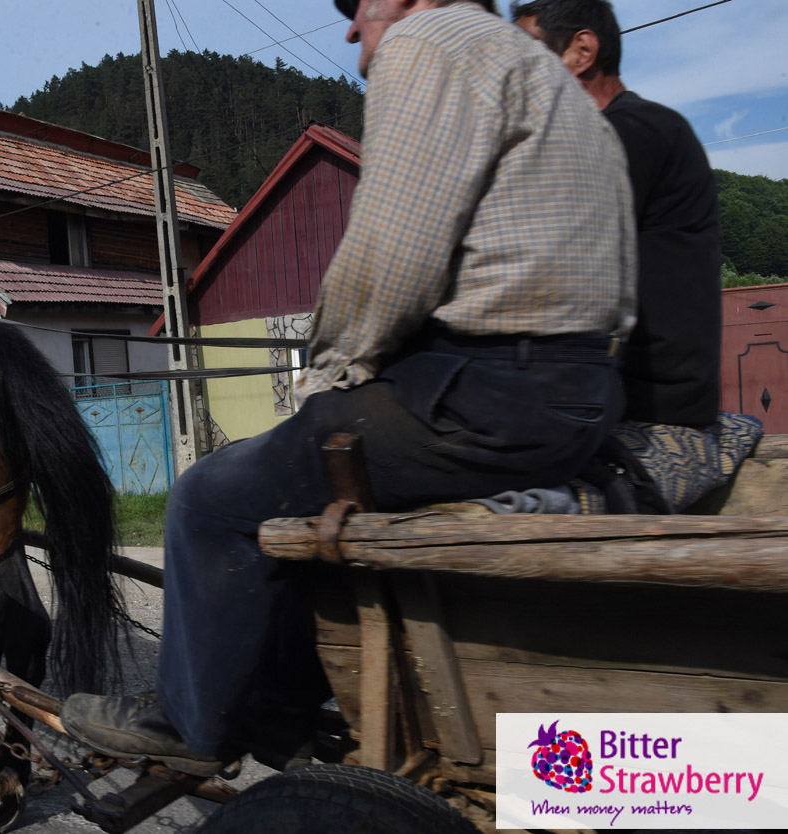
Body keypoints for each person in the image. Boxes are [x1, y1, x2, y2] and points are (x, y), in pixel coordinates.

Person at [62, 0, 637, 777]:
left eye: (358, 4)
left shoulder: (429, 43)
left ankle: (189, 722)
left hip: (485, 392)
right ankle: (282, 700)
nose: (350, 26)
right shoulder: (551, 83)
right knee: (295, 480)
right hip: (578, 392)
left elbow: (387, 259)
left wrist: (323, 386)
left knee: (212, 497)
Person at [512, 0, 722, 429]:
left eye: (528, 52)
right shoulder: (633, 130)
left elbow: (545, 262)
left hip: (650, 402)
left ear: (582, 52)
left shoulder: (631, 132)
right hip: (622, 388)